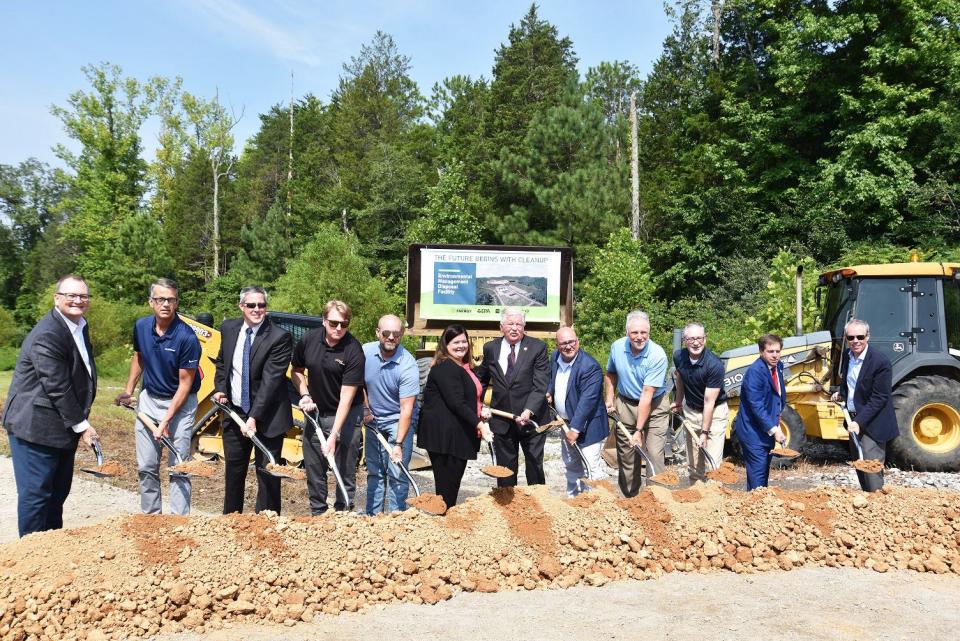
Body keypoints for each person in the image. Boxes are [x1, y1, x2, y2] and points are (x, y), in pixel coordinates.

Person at [2, 275, 98, 537]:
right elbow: (57, 385)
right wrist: (82, 426)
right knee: (37, 496)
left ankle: (52, 553)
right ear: (57, 298)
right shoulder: (48, 333)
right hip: (35, 426)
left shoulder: (78, 326)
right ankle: (30, 558)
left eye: (83, 296)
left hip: (60, 427)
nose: (78, 300)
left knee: (56, 496)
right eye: (71, 295)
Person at [116, 278, 201, 515]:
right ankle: (151, 516)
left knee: (178, 465)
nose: (166, 304)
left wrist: (164, 422)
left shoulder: (187, 337)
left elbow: (185, 386)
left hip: (180, 405)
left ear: (177, 303)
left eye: (171, 299)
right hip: (149, 400)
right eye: (161, 299)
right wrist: (129, 389)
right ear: (151, 301)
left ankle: (178, 521)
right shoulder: (141, 326)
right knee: (146, 465)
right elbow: (139, 357)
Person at [212, 286, 293, 514]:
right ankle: (232, 522)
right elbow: (221, 363)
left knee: (267, 473)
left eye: (261, 305)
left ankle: (267, 526)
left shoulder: (279, 337)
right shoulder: (229, 328)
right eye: (251, 305)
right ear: (242, 307)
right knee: (234, 471)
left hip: (269, 418)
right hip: (235, 414)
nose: (257, 309)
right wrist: (220, 389)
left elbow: (271, 382)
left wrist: (254, 417)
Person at [292, 300, 365, 514]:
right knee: (315, 466)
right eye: (333, 323)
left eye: (344, 324)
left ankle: (342, 512)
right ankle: (319, 513)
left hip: (348, 414)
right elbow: (296, 370)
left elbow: (347, 397)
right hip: (316, 412)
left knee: (344, 467)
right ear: (324, 321)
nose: (339, 329)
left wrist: (334, 434)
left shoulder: (353, 350)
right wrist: (305, 394)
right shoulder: (309, 340)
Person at [475, 308, 549, 487]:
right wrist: (476, 405)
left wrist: (529, 410)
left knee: (534, 465)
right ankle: (507, 506)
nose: (515, 328)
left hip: (531, 420)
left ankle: (538, 503)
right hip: (502, 420)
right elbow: (481, 380)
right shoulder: (491, 348)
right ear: (501, 327)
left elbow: (540, 384)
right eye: (510, 324)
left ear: (524, 327)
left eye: (519, 324)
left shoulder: (537, 347)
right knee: (505, 469)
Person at [417, 325, 489, 509]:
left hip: (457, 434)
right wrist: (479, 424)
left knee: (452, 486)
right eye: (455, 342)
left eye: (464, 341)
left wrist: (480, 411)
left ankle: (446, 521)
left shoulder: (463, 367)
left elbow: (467, 398)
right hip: (445, 438)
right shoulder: (445, 367)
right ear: (445, 345)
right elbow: (456, 403)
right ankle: (442, 525)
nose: (461, 345)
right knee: (446, 488)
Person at [604, 310, 669, 497]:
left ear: (649, 333)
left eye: (644, 333)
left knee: (654, 454)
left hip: (655, 407)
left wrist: (638, 431)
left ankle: (657, 498)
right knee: (626, 455)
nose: (639, 337)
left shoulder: (657, 355)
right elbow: (610, 374)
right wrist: (609, 398)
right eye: (635, 333)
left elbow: (647, 395)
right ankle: (631, 498)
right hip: (625, 404)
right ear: (627, 333)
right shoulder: (617, 347)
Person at [831, 319, 898, 491]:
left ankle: (877, 505)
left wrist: (859, 422)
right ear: (846, 338)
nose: (855, 341)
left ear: (868, 337)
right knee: (859, 465)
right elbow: (850, 383)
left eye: (860, 336)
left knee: (870, 467)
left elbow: (880, 397)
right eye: (851, 337)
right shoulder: (847, 356)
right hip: (854, 420)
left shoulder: (880, 362)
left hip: (873, 423)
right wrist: (841, 393)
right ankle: (867, 504)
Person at [362, 314, 419, 514]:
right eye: (386, 333)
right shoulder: (365, 352)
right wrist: (366, 409)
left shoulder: (407, 364)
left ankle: (396, 519)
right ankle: (373, 517)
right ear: (378, 333)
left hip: (398, 421)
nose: (391, 338)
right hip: (373, 420)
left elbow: (406, 409)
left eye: (396, 334)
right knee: (375, 471)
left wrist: (398, 445)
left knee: (397, 473)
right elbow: (357, 383)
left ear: (402, 334)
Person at [547, 326, 609, 497]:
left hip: (587, 425)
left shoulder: (590, 367)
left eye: (571, 342)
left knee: (591, 466)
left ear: (578, 342)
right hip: (565, 422)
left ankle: (595, 503)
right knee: (571, 464)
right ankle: (573, 500)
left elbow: (587, 402)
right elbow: (552, 378)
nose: (568, 346)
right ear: (557, 345)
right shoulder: (555, 357)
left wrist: (575, 429)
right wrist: (549, 391)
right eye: (563, 343)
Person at [671, 322, 729, 482]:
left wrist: (704, 432)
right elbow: (680, 378)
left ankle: (714, 501)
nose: (696, 343)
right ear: (684, 340)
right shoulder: (679, 356)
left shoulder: (714, 365)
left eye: (699, 338)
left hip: (714, 413)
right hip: (691, 410)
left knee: (712, 465)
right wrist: (678, 401)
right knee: (694, 464)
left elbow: (709, 402)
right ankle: (696, 501)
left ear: (705, 339)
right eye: (691, 339)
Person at [734, 334, 788, 490]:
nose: (775, 355)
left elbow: (776, 395)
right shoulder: (755, 372)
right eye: (770, 351)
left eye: (778, 351)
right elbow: (756, 405)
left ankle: (760, 506)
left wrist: (777, 415)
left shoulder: (778, 366)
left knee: (764, 471)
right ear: (761, 351)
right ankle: (754, 507)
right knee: (758, 473)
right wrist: (774, 429)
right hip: (753, 431)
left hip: (765, 429)